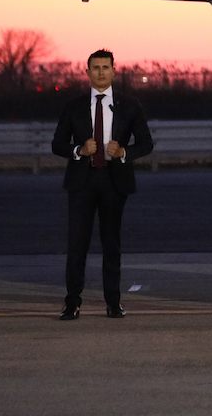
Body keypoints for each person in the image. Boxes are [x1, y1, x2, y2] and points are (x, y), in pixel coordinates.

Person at [51, 49, 153, 320]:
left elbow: (146, 143)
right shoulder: (74, 106)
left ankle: (113, 303)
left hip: (113, 180)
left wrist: (123, 153)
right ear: (87, 72)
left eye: (105, 67)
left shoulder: (130, 105)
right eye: (95, 67)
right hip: (82, 182)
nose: (100, 72)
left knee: (112, 244)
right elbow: (57, 143)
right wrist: (78, 150)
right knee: (77, 245)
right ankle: (72, 303)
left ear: (114, 71)